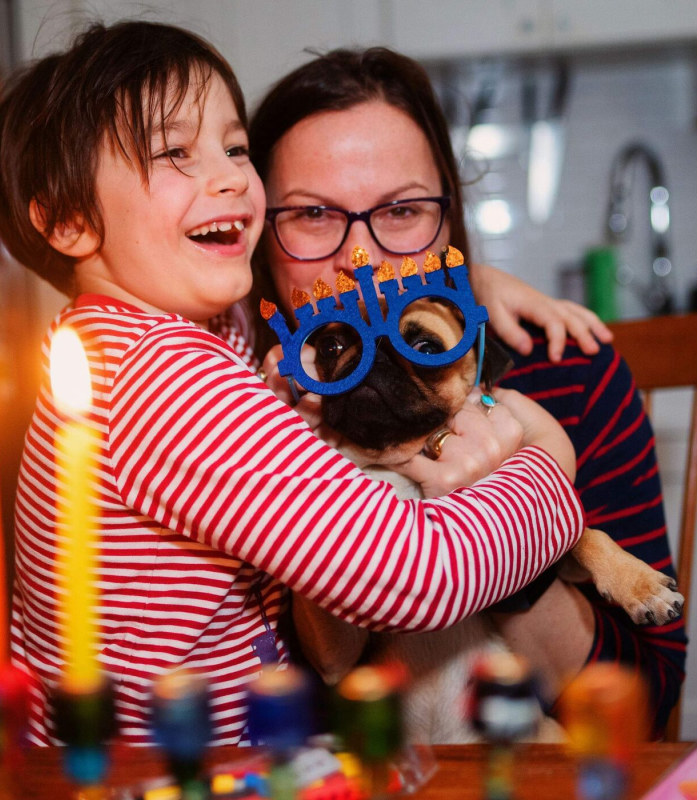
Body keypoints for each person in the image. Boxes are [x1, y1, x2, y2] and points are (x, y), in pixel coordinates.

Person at [0, 21, 585, 745]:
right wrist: (549, 474)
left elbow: (325, 288)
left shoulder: (121, 338)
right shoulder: (168, 379)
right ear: (71, 219)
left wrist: (468, 282)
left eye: (234, 148)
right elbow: (418, 575)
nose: (232, 176)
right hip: (157, 778)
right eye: (175, 153)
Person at [247, 47, 686, 737]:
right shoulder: (229, 405)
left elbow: (646, 707)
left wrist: (509, 540)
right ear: (258, 242)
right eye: (313, 216)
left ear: (447, 222)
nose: (360, 260)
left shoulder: (565, 373)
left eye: (400, 211)